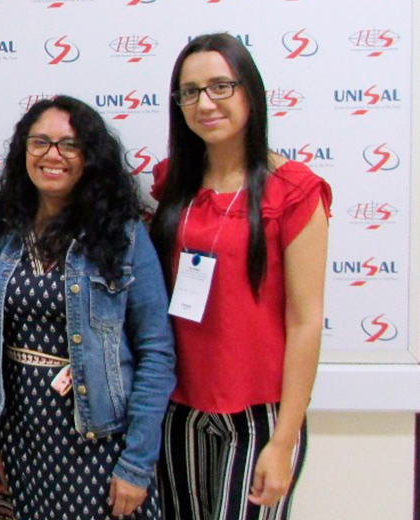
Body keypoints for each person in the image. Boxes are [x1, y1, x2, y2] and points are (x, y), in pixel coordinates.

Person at [149, 33, 331, 520]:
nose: (204, 102)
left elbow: (306, 320)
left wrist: (285, 438)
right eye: (189, 92)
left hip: (259, 416)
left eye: (220, 86)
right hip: (177, 408)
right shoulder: (172, 184)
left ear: (250, 91)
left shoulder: (293, 191)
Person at [0, 95, 176, 520]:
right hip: (21, 442)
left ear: (90, 157)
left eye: (69, 144)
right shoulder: (2, 237)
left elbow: (157, 354)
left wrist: (137, 463)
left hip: (98, 442)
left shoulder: (125, 238)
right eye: (40, 142)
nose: (52, 155)